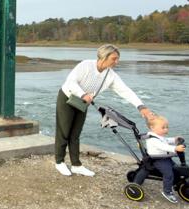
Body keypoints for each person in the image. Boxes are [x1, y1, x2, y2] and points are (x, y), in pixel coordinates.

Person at [54, 44, 154, 177]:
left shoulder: (110, 75)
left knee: (75, 133)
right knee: (64, 131)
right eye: (114, 58)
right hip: (67, 98)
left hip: (83, 102)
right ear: (103, 57)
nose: (116, 62)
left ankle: (76, 165)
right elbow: (71, 82)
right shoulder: (85, 65)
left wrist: (141, 107)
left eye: (117, 59)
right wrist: (83, 94)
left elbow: (125, 91)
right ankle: (59, 162)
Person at [142, 115, 185, 203]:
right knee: (168, 174)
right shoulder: (153, 140)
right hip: (158, 160)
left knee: (175, 169)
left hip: (164, 157)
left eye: (167, 127)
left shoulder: (158, 136)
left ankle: (173, 183)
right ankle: (167, 192)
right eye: (163, 127)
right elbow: (163, 146)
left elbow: (166, 140)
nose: (166, 129)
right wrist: (175, 148)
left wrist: (175, 140)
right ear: (152, 127)